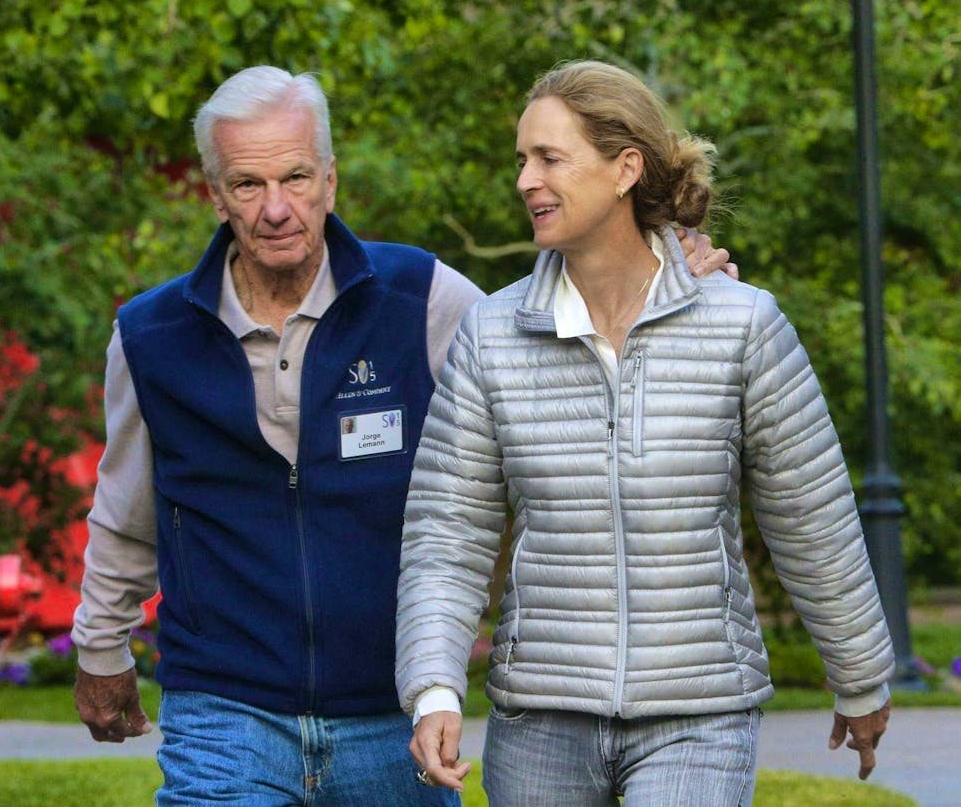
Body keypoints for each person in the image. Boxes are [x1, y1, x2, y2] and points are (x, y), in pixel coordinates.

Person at [70, 64, 734, 806]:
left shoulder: (422, 298)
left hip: (394, 711)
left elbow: (557, 366)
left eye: (296, 178)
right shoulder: (151, 337)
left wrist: (662, 283)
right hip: (225, 707)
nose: (276, 209)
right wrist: (100, 647)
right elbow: (125, 515)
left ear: (330, 180)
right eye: (248, 185)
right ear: (215, 193)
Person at [395, 60, 895, 807]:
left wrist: (859, 676)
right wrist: (434, 687)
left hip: (700, 711)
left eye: (550, 158)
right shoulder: (490, 335)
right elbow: (448, 531)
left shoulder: (742, 325)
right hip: (540, 717)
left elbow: (811, 513)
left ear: (625, 168)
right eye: (522, 159)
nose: (526, 180)